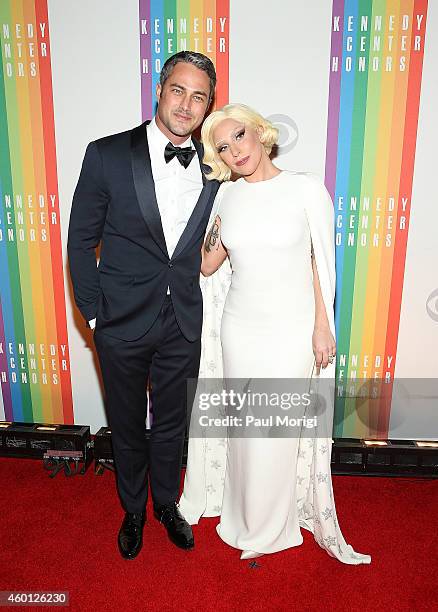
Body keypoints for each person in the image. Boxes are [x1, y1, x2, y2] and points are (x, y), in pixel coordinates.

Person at [179, 104, 371, 565]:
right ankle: (243, 517)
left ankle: (272, 528)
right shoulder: (226, 197)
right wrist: (210, 221)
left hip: (291, 328)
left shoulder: (304, 188)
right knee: (246, 430)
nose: (234, 150)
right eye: (222, 147)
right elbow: (207, 264)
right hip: (240, 328)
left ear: (261, 133)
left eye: (239, 136)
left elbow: (320, 264)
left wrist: (322, 327)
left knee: (278, 433)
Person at [67, 51, 220, 560]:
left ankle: (165, 504)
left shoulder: (216, 168)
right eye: (179, 90)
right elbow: (80, 241)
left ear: (207, 105)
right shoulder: (107, 154)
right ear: (160, 89)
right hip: (121, 323)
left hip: (183, 322)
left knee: (172, 424)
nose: (186, 103)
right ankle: (132, 509)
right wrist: (94, 318)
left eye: (199, 96)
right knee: (128, 423)